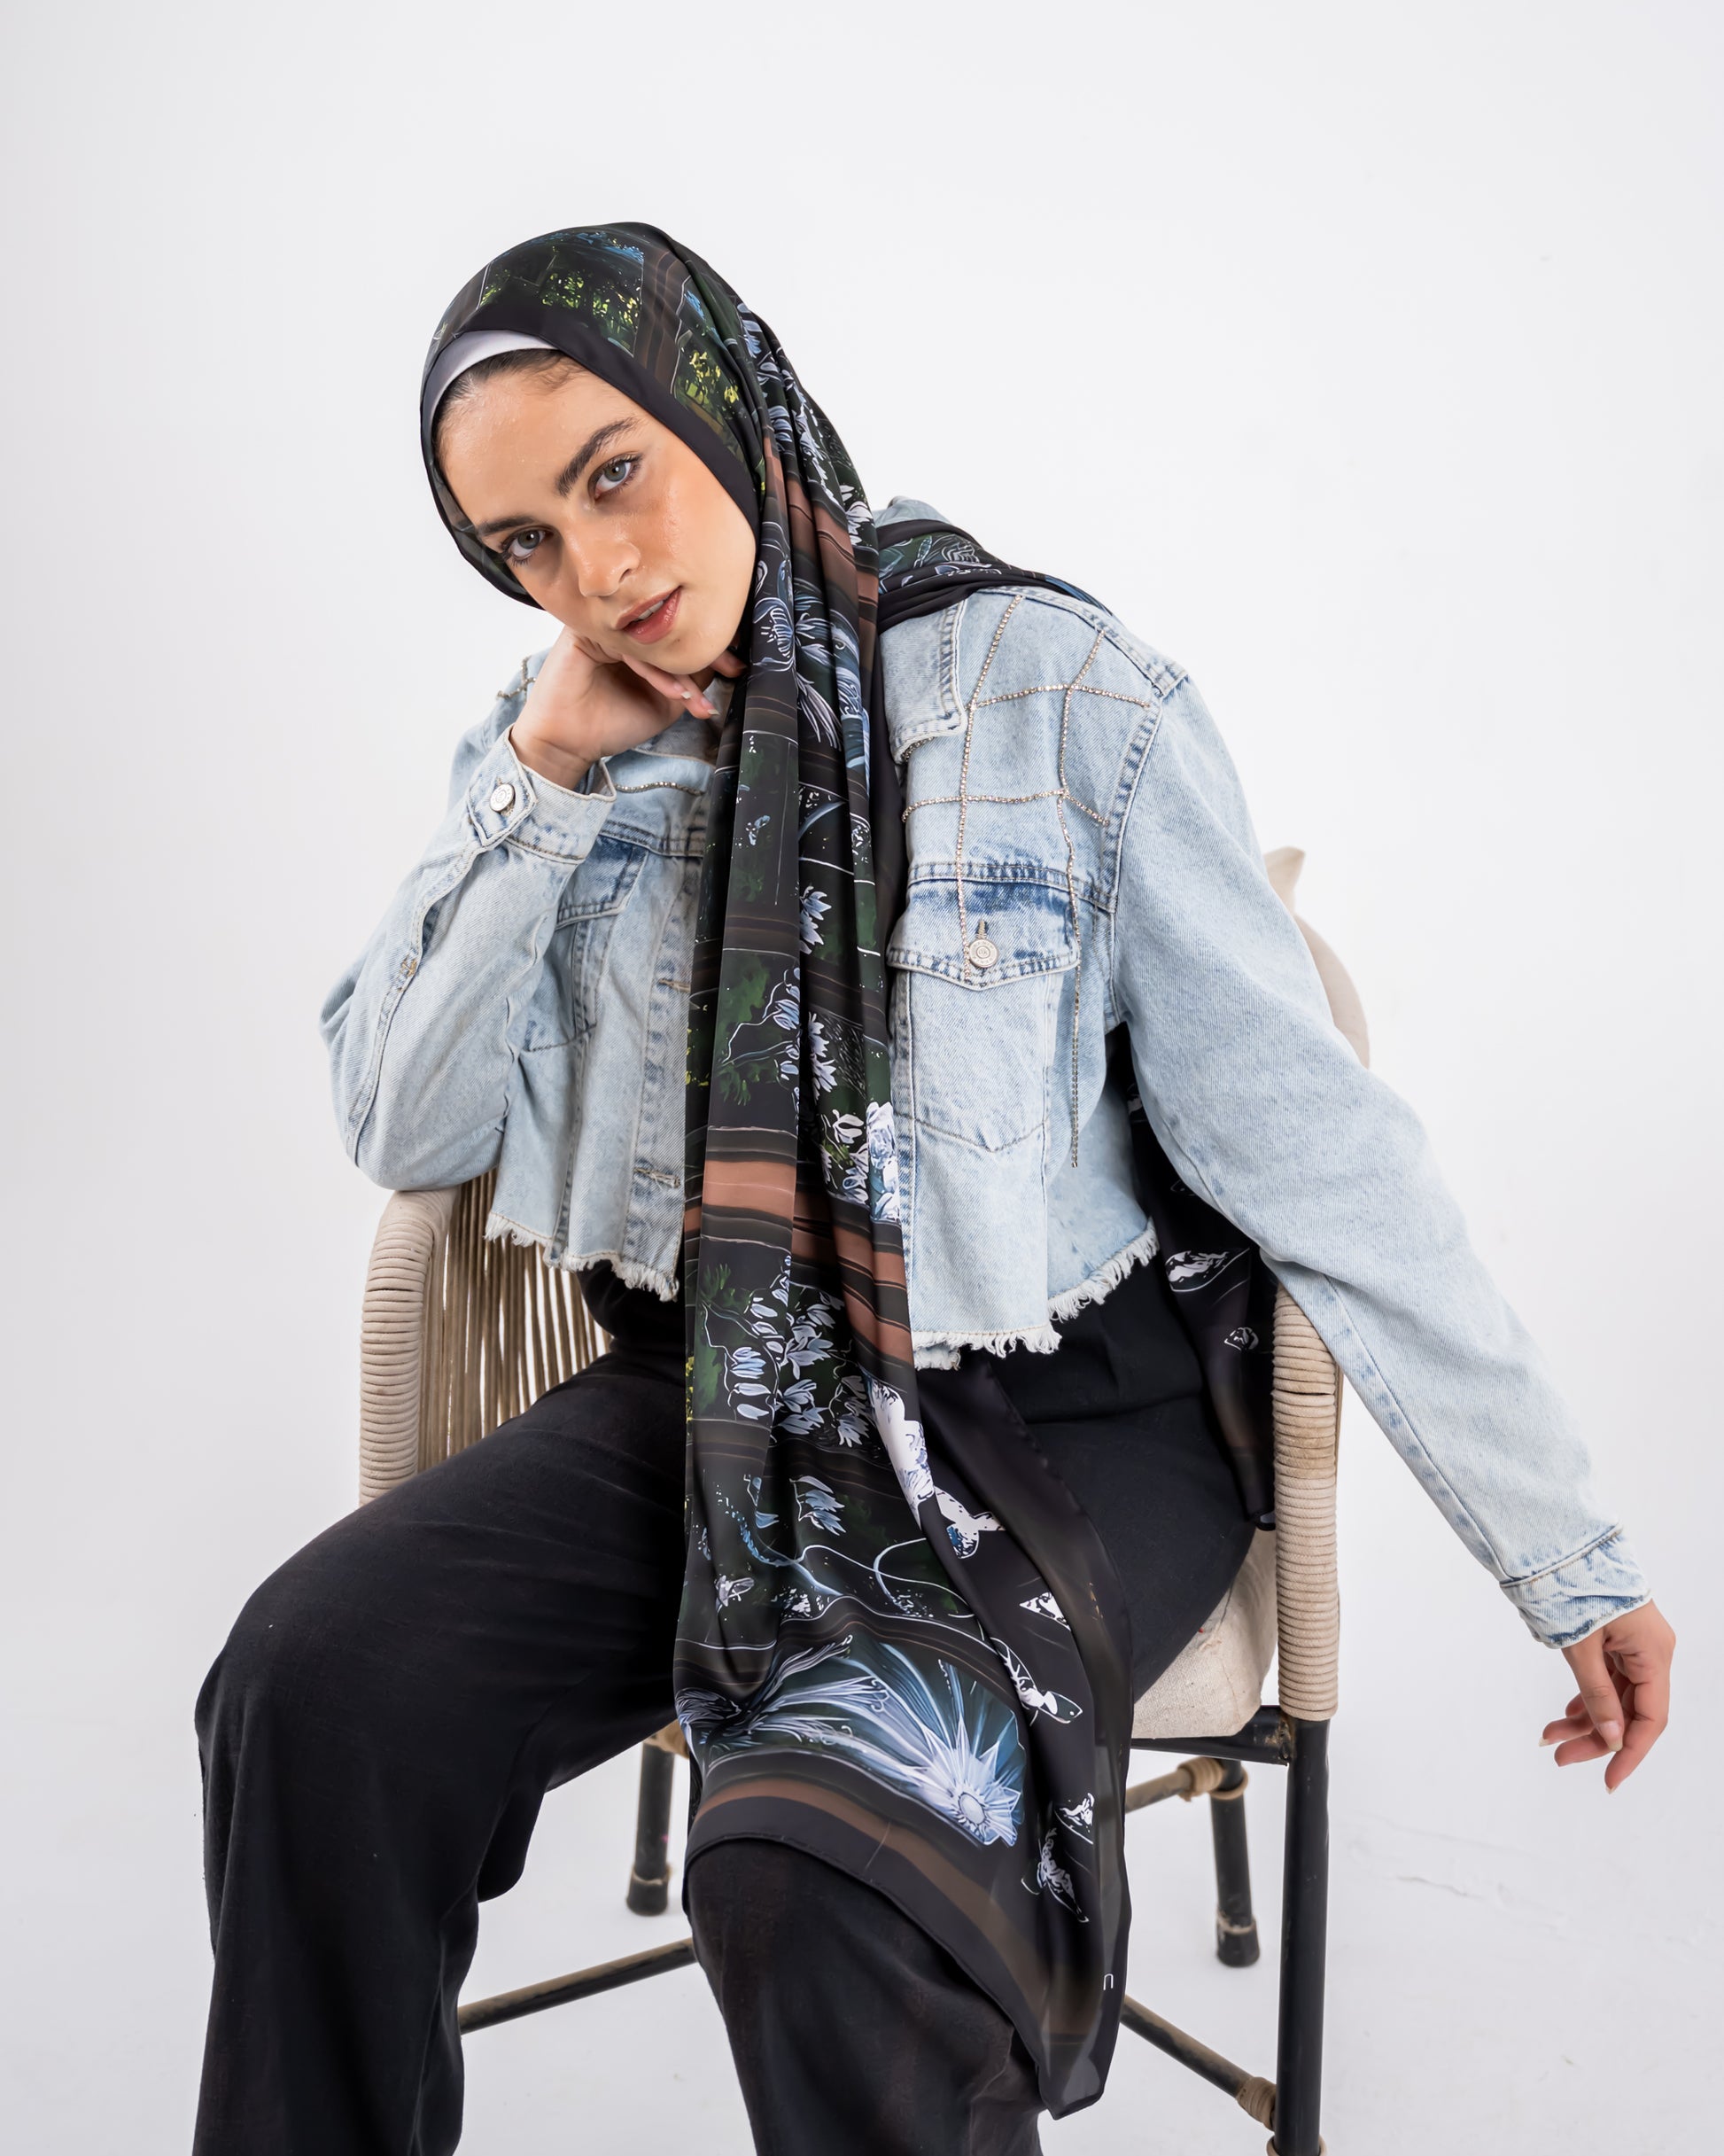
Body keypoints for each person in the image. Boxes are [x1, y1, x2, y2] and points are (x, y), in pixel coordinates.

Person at [191, 225, 1674, 2156]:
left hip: (1065, 1421)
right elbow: (404, 1124)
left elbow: (1317, 1149)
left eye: (615, 474)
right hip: (720, 1396)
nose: (600, 572)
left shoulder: (1050, 689)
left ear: (724, 407)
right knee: (309, 1683)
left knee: (818, 1875)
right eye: (524, 545)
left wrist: (1563, 1554)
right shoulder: (567, 736)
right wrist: (543, 775)